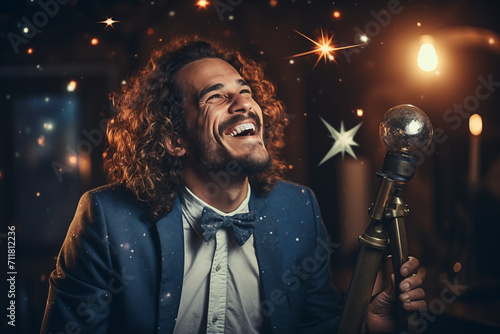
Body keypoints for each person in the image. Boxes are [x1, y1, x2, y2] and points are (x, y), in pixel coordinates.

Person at [41, 37, 426, 334]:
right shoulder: (108, 218)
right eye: (216, 97)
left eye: (246, 92)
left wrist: (363, 324)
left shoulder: (298, 208)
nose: (244, 104)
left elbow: (314, 326)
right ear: (174, 138)